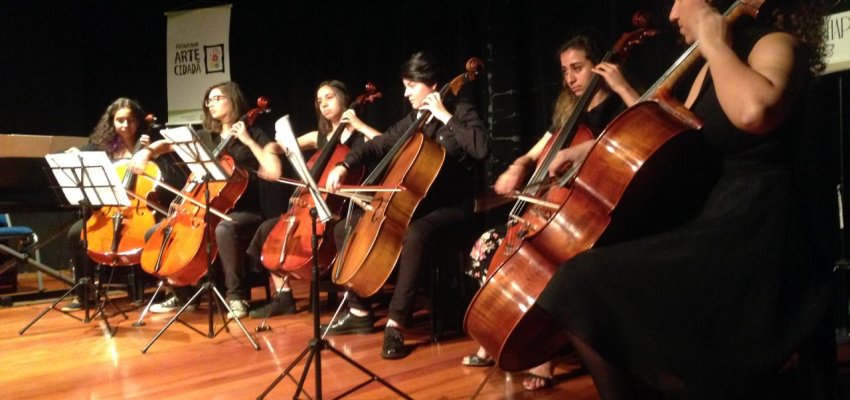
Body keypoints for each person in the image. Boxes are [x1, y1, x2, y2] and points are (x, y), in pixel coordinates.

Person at [533, 0, 831, 398]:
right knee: (576, 281)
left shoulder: (773, 44)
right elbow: (668, 137)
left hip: (758, 228)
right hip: (712, 218)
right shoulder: (707, 64)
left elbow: (755, 112)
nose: (672, 13)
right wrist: (586, 152)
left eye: (679, 0)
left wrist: (714, 42)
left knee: (580, 282)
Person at [462, 35, 641, 391]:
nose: (570, 78)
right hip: (549, 214)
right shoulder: (567, 114)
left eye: (577, 68)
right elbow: (536, 153)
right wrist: (518, 165)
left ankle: (545, 354)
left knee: (551, 267)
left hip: (589, 218)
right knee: (487, 245)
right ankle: (497, 334)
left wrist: (623, 87)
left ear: (600, 66)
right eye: (565, 71)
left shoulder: (620, 111)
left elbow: (644, 126)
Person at [323, 51, 490, 359]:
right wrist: (344, 166)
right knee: (347, 227)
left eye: (411, 85)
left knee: (416, 234)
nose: (405, 93)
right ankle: (360, 311)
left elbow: (480, 148)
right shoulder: (414, 120)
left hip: (453, 207)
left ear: (432, 85)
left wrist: (446, 117)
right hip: (416, 204)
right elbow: (378, 143)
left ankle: (396, 324)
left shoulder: (461, 110)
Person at [130, 81, 282, 319]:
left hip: (242, 210)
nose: (211, 103)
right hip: (202, 208)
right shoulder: (205, 136)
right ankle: (181, 294)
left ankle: (236, 298)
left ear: (233, 100)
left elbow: (272, 168)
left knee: (224, 228)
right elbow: (167, 145)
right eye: (208, 100)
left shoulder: (255, 133)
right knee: (155, 233)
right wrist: (146, 152)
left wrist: (247, 141)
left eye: (217, 98)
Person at [245, 79, 380, 318]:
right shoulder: (319, 136)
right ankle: (284, 296)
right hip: (311, 206)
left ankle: (355, 303)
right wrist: (271, 155)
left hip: (346, 208)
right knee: (266, 231)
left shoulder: (361, 137)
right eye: (319, 101)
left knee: (343, 232)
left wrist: (358, 124)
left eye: (329, 97)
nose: (323, 104)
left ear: (344, 99)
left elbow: (386, 143)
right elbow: (279, 147)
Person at [61, 97, 152, 312]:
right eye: (119, 120)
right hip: (107, 211)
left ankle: (144, 288)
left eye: (130, 120)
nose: (125, 125)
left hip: (139, 209)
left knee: (147, 232)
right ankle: (83, 292)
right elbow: (82, 154)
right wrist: (76, 154)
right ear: (112, 122)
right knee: (77, 233)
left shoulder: (148, 146)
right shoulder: (104, 147)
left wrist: (149, 153)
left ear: (138, 122)